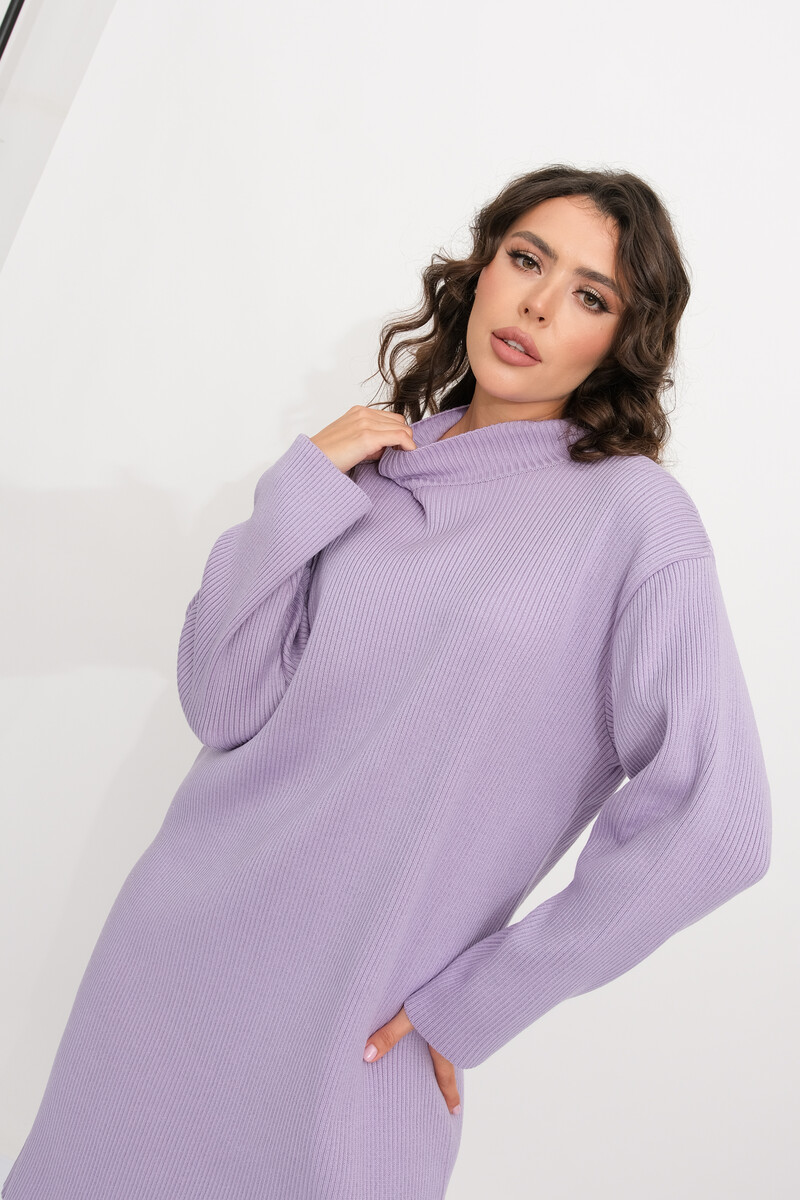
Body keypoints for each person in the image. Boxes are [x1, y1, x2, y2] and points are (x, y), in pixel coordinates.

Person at [2, 165, 772, 1200]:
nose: (539, 305)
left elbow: (718, 827)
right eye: (526, 260)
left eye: (589, 296)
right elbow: (220, 701)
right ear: (482, 269)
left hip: (358, 1029)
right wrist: (300, 488)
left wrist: (482, 1000)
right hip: (170, 972)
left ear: (619, 342)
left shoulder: (631, 518)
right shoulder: (369, 470)